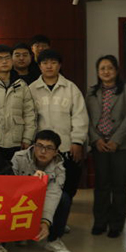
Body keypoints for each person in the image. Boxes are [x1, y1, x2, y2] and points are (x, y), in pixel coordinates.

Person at [29, 49, 88, 227]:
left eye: (53, 62)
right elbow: (29, 119)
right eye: (45, 63)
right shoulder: (32, 89)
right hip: (40, 151)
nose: (49, 66)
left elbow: (80, 116)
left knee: (66, 188)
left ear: (59, 65)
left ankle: (60, 222)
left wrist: (77, 141)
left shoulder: (71, 88)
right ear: (39, 66)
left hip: (66, 148)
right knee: (41, 188)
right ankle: (41, 222)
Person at [86, 55, 126, 238]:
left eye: (110, 68)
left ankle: (116, 224)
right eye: (102, 68)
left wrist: (115, 140)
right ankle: (100, 222)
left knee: (119, 185)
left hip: (121, 146)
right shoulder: (91, 93)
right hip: (99, 144)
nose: (106, 71)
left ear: (116, 70)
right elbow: (87, 119)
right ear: (98, 72)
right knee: (101, 185)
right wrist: (96, 139)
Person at [11, 130, 71, 252]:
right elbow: (10, 187)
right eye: (39, 146)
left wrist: (45, 222)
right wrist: (31, 183)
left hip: (43, 200)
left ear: (56, 152)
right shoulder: (19, 158)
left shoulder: (59, 169)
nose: (43, 151)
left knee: (64, 199)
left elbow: (53, 194)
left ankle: (54, 240)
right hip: (21, 199)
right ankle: (21, 232)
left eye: (49, 148)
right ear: (33, 146)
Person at [0, 44, 36, 161]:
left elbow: (29, 114)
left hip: (17, 140)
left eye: (7, 58)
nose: (4, 61)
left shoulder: (21, 85)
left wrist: (27, 138)